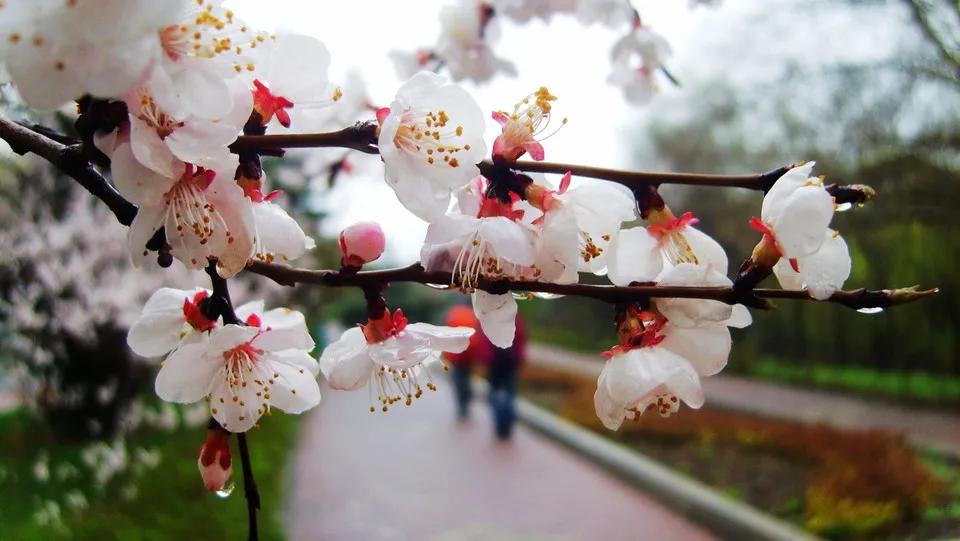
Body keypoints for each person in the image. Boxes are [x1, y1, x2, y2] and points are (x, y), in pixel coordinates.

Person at [442, 305, 489, 420]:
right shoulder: (472, 315)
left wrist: (445, 354)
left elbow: (446, 334)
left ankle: (462, 406)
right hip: (469, 353)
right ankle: (466, 400)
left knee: (458, 381)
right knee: (466, 379)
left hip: (456, 354)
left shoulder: (453, 313)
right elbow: (479, 334)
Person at [486, 316, 526, 440]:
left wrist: (486, 360)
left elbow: (484, 342)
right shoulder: (516, 320)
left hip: (495, 365)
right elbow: (521, 341)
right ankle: (507, 424)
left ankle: (501, 425)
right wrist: (519, 360)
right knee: (509, 395)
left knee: (495, 395)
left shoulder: (490, 319)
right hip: (510, 364)